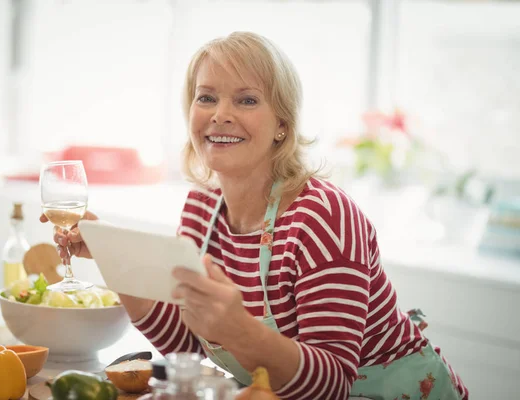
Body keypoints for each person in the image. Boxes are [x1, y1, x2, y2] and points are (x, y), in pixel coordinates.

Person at [41, 32, 468, 400]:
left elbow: (332, 384)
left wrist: (240, 330)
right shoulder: (202, 208)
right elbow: (186, 345)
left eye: (246, 100)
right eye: (206, 97)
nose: (220, 113)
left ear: (282, 123)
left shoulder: (323, 218)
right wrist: (114, 257)